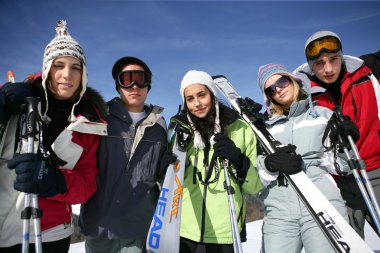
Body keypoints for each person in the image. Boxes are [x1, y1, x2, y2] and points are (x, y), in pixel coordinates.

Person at [0, 20, 107, 253]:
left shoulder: (89, 123)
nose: (67, 75)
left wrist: (55, 180)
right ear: (48, 67)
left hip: (50, 234)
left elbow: (87, 183)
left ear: (84, 73)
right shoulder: (15, 100)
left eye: (76, 67)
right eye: (59, 65)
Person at [294, 30, 380, 238]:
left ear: (342, 55)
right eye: (319, 63)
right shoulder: (303, 93)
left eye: (333, 59)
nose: (328, 68)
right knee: (348, 242)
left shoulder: (368, 73)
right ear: (310, 66)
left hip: (376, 170)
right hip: (337, 182)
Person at [78, 56, 168, 253]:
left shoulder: (160, 126)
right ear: (118, 86)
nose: (134, 85)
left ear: (148, 85)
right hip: (99, 226)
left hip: (137, 228)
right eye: (126, 79)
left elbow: (162, 177)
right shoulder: (100, 117)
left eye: (140, 79)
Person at [256, 63, 348, 253]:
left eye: (281, 81)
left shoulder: (323, 115)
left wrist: (345, 143)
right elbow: (256, 174)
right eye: (271, 90)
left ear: (292, 80)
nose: (278, 89)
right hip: (279, 210)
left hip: (321, 202)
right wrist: (270, 164)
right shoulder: (263, 129)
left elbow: (341, 166)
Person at [168, 70, 263, 253]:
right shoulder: (180, 132)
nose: (197, 103)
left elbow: (255, 186)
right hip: (185, 230)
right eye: (190, 98)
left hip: (224, 232)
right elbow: (169, 184)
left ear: (212, 94)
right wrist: (163, 168)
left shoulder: (239, 128)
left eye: (202, 95)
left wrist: (239, 162)